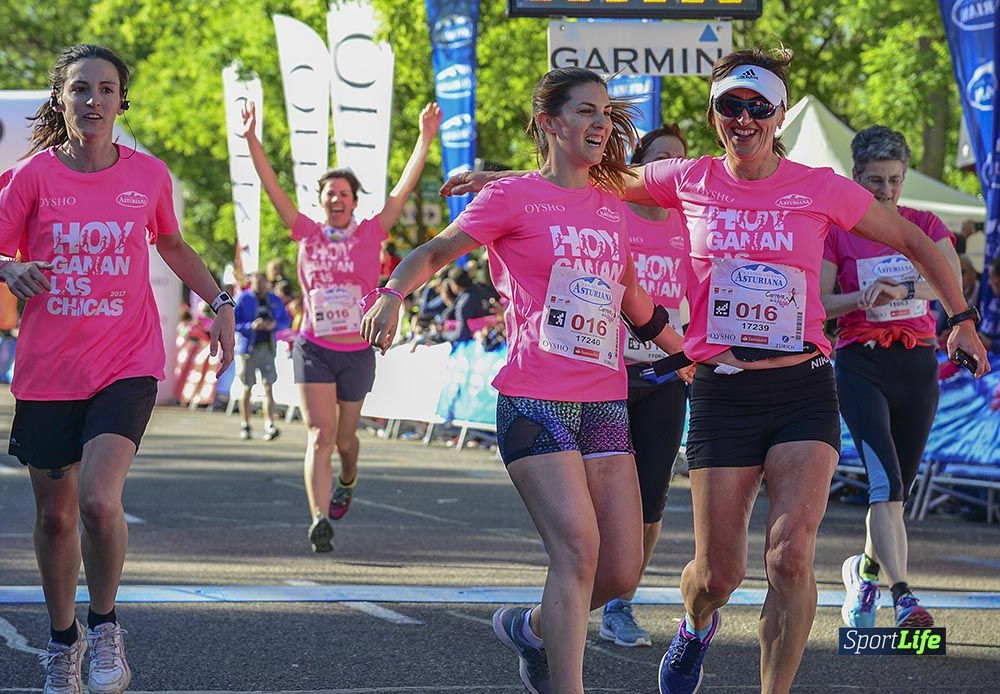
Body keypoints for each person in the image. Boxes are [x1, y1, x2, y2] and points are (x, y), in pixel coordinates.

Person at [442, 48, 988, 694]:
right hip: (723, 394)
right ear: (714, 114)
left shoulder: (819, 187)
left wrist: (960, 316)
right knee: (717, 575)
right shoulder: (686, 179)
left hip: (803, 385)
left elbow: (917, 242)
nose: (745, 117)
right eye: (732, 105)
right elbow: (582, 177)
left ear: (780, 116)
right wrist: (503, 180)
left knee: (791, 554)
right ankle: (696, 624)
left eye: (759, 107)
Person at [362, 67, 686, 694]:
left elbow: (634, 302)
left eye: (605, 113)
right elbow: (435, 251)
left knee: (620, 570)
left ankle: (534, 628)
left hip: (605, 402)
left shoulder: (611, 205)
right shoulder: (511, 199)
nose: (599, 124)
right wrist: (393, 292)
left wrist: (691, 355)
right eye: (585, 111)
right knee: (577, 550)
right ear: (549, 122)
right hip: (536, 397)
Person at [0, 44, 234, 694]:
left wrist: (219, 300)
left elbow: (170, 242)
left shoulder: (148, 176)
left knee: (98, 502)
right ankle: (63, 643)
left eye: (106, 89)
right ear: (62, 99)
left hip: (127, 361)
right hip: (50, 371)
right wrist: (7, 268)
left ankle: (105, 624)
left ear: (121, 101)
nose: (93, 101)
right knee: (55, 517)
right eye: (81, 89)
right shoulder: (27, 178)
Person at [241, 99, 441, 552]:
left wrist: (424, 138)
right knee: (319, 434)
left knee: (346, 440)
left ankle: (348, 478)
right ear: (321, 201)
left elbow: (402, 191)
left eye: (344, 194)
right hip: (312, 347)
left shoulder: (372, 232)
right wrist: (253, 138)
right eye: (329, 194)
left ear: (354, 202)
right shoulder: (305, 232)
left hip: (355, 351)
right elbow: (272, 188)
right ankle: (318, 519)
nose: (336, 200)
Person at [821, 126, 960, 630]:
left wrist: (904, 283)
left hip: (917, 363)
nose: (884, 191)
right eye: (874, 180)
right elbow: (818, 301)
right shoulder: (838, 230)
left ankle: (864, 573)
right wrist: (860, 297)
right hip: (861, 361)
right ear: (855, 178)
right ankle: (903, 596)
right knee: (885, 482)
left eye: (893, 180)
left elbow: (952, 282)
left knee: (898, 490)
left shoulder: (923, 223)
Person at [600, 123, 691, 648]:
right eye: (659, 161)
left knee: (651, 497)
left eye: (678, 162)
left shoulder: (689, 220)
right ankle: (578, 582)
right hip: (607, 372)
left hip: (665, 373)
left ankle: (620, 600)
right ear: (638, 167)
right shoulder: (613, 213)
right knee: (599, 495)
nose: (669, 172)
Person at [234, 271, 291, 441]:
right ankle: (246, 424)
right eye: (256, 283)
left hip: (267, 348)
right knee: (247, 387)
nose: (260, 286)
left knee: (268, 386)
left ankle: (270, 424)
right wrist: (251, 326)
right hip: (247, 350)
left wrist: (274, 325)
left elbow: (286, 320)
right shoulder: (243, 299)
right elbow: (233, 322)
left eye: (262, 283)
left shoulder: (274, 300)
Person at [442, 266, 492, 342]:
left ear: (455, 285)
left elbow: (462, 334)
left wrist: (444, 334)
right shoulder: (483, 286)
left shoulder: (463, 303)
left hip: (485, 337)